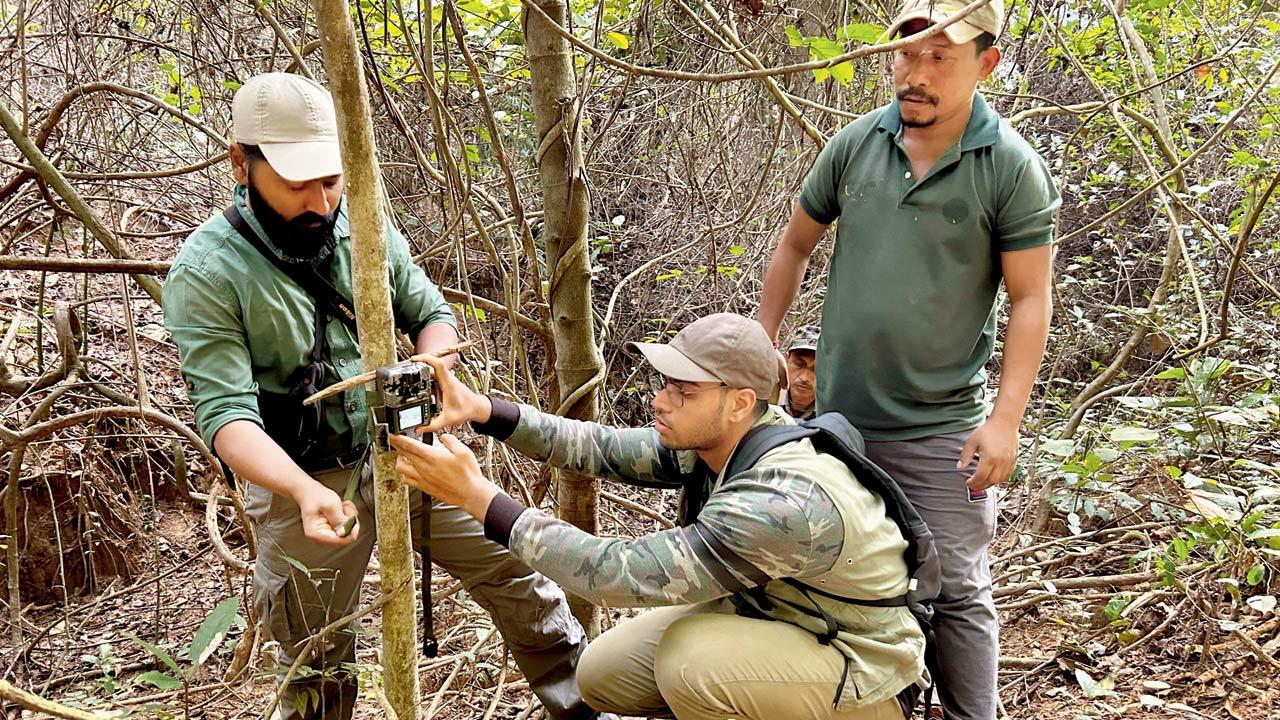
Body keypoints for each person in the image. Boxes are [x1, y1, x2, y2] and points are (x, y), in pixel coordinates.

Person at [162, 73, 599, 720]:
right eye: (296, 182)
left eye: (331, 179)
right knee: (317, 657)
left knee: (516, 575)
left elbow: (432, 312)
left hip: (409, 447)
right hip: (303, 479)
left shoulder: (363, 225)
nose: (320, 199)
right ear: (240, 163)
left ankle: (586, 703)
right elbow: (227, 419)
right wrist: (305, 493)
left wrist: (431, 359)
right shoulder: (208, 271)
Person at [390, 313, 925, 720]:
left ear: (740, 401)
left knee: (689, 665)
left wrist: (478, 498)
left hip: (861, 664)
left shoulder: (783, 503)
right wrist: (484, 411)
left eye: (682, 391)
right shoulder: (720, 439)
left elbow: (613, 573)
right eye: (664, 384)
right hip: (777, 619)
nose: (660, 402)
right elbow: (596, 447)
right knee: (601, 674)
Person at [756, 1, 1058, 717]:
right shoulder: (855, 144)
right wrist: (757, 343)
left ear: (987, 64)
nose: (915, 73)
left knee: (955, 588)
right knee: (825, 574)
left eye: (939, 56)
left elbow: (1031, 301)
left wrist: (1006, 422)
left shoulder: (1010, 167)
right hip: (834, 421)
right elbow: (795, 244)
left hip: (942, 426)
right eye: (905, 52)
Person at [781, 324, 820, 419]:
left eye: (815, 369)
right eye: (799, 364)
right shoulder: (764, 393)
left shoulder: (832, 412)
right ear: (787, 360)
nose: (804, 378)